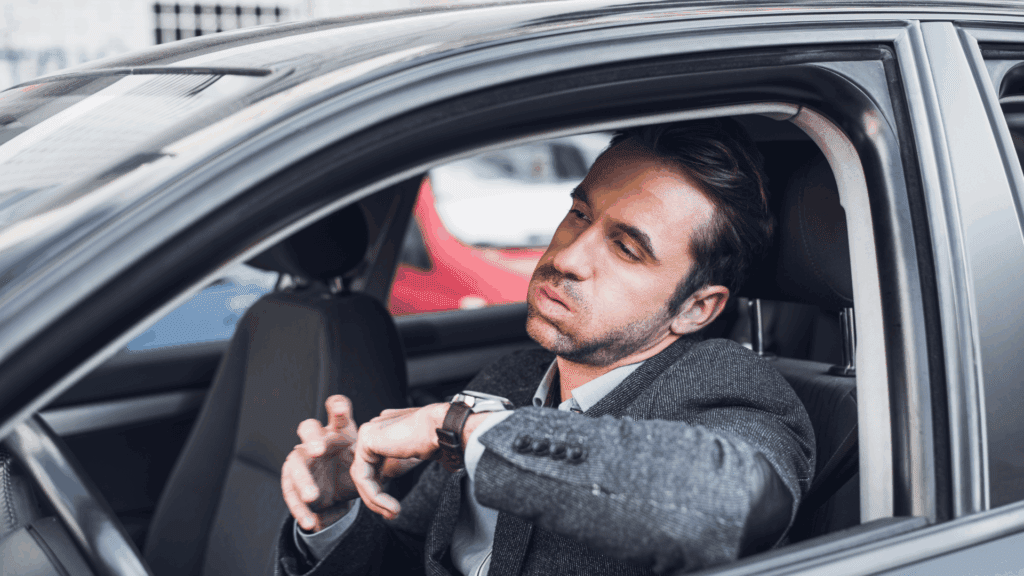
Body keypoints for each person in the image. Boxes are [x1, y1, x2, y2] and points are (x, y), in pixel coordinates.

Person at [277, 118, 815, 576]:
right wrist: (332, 517)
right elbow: (412, 556)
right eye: (580, 214)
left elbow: (734, 505)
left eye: (627, 249)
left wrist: (463, 429)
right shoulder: (508, 378)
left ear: (696, 308)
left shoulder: (728, 385)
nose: (568, 257)